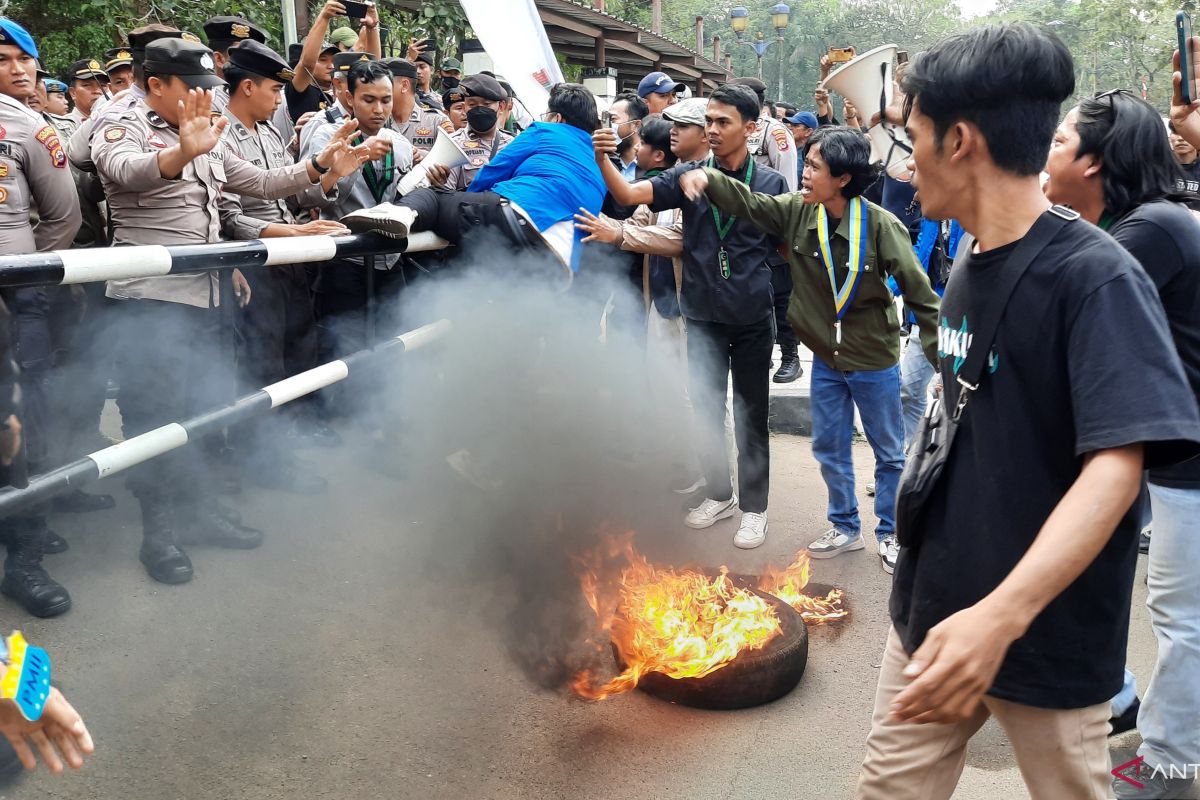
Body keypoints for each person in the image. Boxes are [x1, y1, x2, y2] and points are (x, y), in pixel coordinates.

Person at [855, 24, 1200, 800]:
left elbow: (1116, 469)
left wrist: (1001, 616)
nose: (906, 169)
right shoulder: (970, 259)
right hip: (933, 615)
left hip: (1044, 633)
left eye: (913, 141)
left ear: (961, 141)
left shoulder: (1098, 277)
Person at [92, 37, 360, 585]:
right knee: (152, 419)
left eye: (207, 89)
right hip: (151, 303)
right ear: (156, 86)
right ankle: (158, 531)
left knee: (202, 409)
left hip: (208, 298)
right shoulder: (122, 125)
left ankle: (197, 510)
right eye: (192, 88)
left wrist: (318, 166)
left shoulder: (209, 137)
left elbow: (258, 183)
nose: (204, 99)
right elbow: (127, 171)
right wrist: (181, 154)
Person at [682, 125, 939, 572]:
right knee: (830, 445)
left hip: (872, 357)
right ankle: (844, 526)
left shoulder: (881, 226)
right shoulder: (798, 211)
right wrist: (711, 180)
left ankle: (890, 532)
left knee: (888, 450)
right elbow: (753, 204)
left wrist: (946, 369)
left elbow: (922, 296)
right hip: (825, 356)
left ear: (842, 178)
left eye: (815, 167)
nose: (803, 173)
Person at [1043, 88, 1200, 800]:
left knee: (1180, 612)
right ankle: (1121, 699)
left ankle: (1169, 759)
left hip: (1187, 456)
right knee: (1101, 575)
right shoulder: (1145, 222)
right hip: (1157, 444)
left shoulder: (1151, 230)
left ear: (1098, 160)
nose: (1045, 151)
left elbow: (1060, 304)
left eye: (1057, 140)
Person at [588, 84, 786, 549]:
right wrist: (603, 159)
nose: (713, 131)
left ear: (750, 129)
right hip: (700, 312)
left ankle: (754, 509)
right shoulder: (686, 175)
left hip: (753, 314)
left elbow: (785, 242)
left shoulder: (773, 184)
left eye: (723, 122)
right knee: (705, 409)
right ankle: (720, 494)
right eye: (709, 122)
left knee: (751, 414)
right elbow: (628, 191)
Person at [218, 40, 365, 483]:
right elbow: (228, 214)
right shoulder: (218, 134)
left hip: (291, 256)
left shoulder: (268, 132)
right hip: (257, 261)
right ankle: (259, 455)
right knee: (261, 361)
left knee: (298, 346)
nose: (280, 99)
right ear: (247, 87)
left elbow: (295, 195)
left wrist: (334, 173)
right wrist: (294, 232)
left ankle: (290, 437)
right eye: (273, 90)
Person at [343, 82, 606, 278]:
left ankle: (398, 213)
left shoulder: (544, 131)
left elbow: (494, 170)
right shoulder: (598, 167)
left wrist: (468, 199)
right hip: (558, 257)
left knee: (436, 198)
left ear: (556, 118)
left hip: (515, 214)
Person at [0, 17, 81, 617]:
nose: (21, 70)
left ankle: (22, 558)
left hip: (12, 298)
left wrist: (19, 271)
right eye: (6, 60)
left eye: (25, 59)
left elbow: (62, 219)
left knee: (15, 421)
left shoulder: (30, 127)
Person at [300, 60, 412, 371]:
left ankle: (381, 411)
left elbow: (401, 197)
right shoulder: (328, 137)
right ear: (350, 98)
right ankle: (335, 416)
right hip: (344, 261)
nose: (379, 109)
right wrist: (354, 161)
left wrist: (431, 179)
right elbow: (306, 196)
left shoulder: (400, 144)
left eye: (386, 100)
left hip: (390, 259)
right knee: (339, 347)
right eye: (369, 99)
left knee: (392, 343)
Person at [442, 73, 514, 192]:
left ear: (501, 107)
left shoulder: (512, 144)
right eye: (472, 104)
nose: (479, 109)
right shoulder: (453, 145)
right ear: (465, 107)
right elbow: (446, 195)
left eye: (486, 104)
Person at [284, 0, 343, 121]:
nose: (331, 65)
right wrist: (324, 17)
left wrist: (372, 28)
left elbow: (369, 64)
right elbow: (307, 64)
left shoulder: (341, 92)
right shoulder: (301, 91)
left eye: (334, 60)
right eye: (322, 60)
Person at [383, 57, 451, 154]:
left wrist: (427, 159)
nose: (379, 87)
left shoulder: (437, 121)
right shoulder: (377, 122)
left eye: (385, 82)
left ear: (404, 86)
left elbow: (453, 163)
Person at [606, 92, 648, 182]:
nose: (609, 126)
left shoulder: (650, 165)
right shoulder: (605, 161)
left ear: (636, 125)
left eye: (613, 119)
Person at [64, 59, 108, 124]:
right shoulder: (63, 126)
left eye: (102, 85)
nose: (97, 91)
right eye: (87, 85)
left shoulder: (118, 121)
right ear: (73, 93)